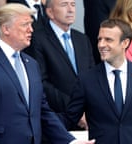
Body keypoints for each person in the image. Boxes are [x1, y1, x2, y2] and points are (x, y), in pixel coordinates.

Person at [0, 3, 95, 144]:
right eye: (25, 25)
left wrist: (70, 141)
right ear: (6, 29)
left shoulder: (31, 64)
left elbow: (43, 111)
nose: (31, 30)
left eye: (31, 25)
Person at [63, 19, 132, 144]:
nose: (101, 44)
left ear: (125, 43)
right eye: (99, 39)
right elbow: (68, 119)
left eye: (108, 40)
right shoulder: (86, 79)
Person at [28, 0, 94, 130]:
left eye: (73, 4)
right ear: (50, 12)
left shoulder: (82, 39)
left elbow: (92, 78)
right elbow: (41, 83)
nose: (71, 9)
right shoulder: (37, 39)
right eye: (64, 5)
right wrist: (76, 109)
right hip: (56, 120)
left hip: (88, 119)